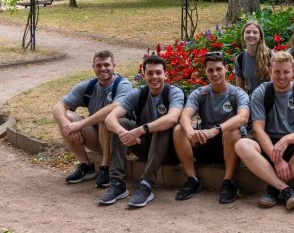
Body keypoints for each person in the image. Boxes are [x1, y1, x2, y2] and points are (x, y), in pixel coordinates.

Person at [234, 51, 294, 210]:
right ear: (270, 71)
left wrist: (287, 139)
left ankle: (272, 189)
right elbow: (258, 129)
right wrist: (276, 159)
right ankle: (285, 189)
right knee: (242, 145)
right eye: (277, 71)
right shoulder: (261, 92)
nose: (281, 76)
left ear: (293, 72)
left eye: (286, 72)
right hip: (268, 145)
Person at [100, 54, 184, 208]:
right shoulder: (138, 93)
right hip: (144, 147)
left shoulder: (174, 92)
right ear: (143, 75)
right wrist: (123, 133)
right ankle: (118, 183)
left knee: (163, 126)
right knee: (121, 123)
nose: (154, 77)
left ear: (166, 74)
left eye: (158, 72)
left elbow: (172, 119)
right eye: (150, 73)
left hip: (169, 151)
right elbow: (109, 118)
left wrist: (140, 130)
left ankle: (146, 184)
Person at [173, 51, 250, 204]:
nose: (215, 74)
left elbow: (243, 117)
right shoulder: (199, 93)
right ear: (205, 72)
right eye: (210, 70)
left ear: (226, 69)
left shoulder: (238, 94)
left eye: (218, 69)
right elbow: (184, 115)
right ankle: (192, 180)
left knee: (232, 131)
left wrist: (215, 130)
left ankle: (228, 182)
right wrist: (189, 131)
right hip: (205, 142)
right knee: (178, 130)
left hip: (228, 145)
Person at [52, 50, 132, 187]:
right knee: (68, 116)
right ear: (93, 67)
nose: (103, 69)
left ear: (114, 66)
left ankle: (105, 168)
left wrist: (80, 124)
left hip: (122, 141)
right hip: (98, 138)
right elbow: (58, 106)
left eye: (107, 65)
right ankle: (86, 166)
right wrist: (68, 125)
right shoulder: (88, 86)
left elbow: (115, 107)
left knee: (105, 119)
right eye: (99, 65)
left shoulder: (123, 85)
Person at [234, 20, 272, 94]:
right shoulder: (240, 59)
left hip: (269, 97)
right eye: (248, 32)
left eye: (255, 32)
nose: (251, 35)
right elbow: (240, 88)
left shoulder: (270, 55)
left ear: (260, 36)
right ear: (243, 35)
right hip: (250, 100)